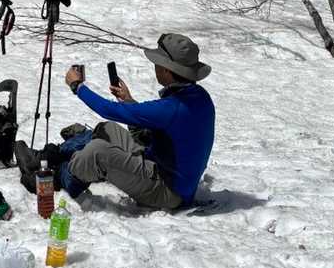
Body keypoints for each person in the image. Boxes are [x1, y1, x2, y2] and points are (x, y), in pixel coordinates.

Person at [18, 33, 214, 210]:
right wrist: (128, 101)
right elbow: (161, 128)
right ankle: (50, 155)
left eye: (157, 64)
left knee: (97, 152)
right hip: (163, 167)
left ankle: (57, 177)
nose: (155, 67)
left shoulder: (173, 107)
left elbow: (107, 109)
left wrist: (77, 86)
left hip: (167, 191)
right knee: (107, 130)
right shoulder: (199, 97)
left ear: (167, 71)